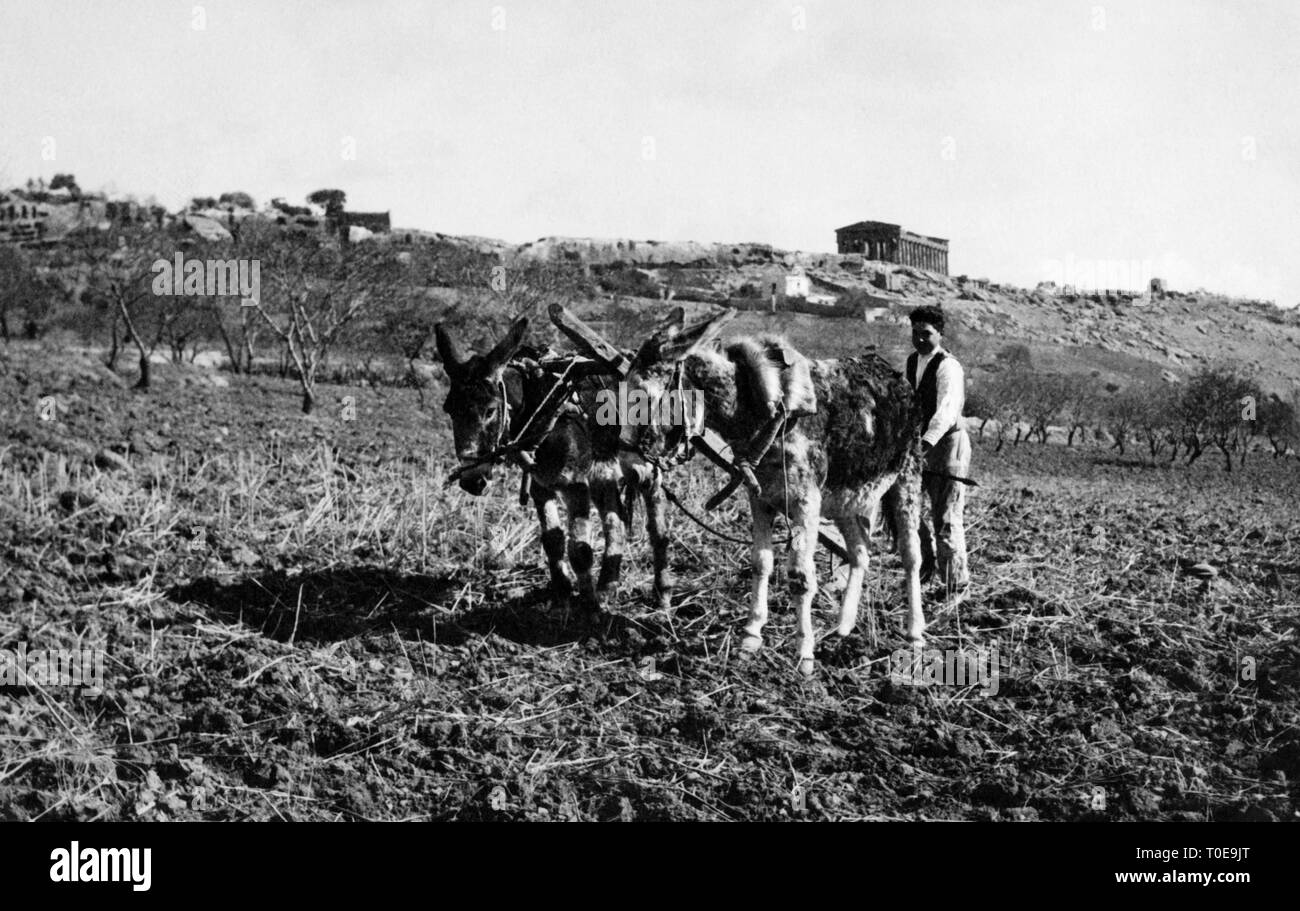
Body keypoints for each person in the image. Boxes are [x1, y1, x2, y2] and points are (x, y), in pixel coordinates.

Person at [906, 306, 970, 596]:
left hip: (946, 446)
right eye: (915, 333)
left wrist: (925, 444)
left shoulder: (948, 366)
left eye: (926, 334)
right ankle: (926, 569)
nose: (920, 339)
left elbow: (946, 411)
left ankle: (956, 585)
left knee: (945, 518)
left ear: (940, 334)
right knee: (909, 512)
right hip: (920, 446)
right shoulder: (912, 362)